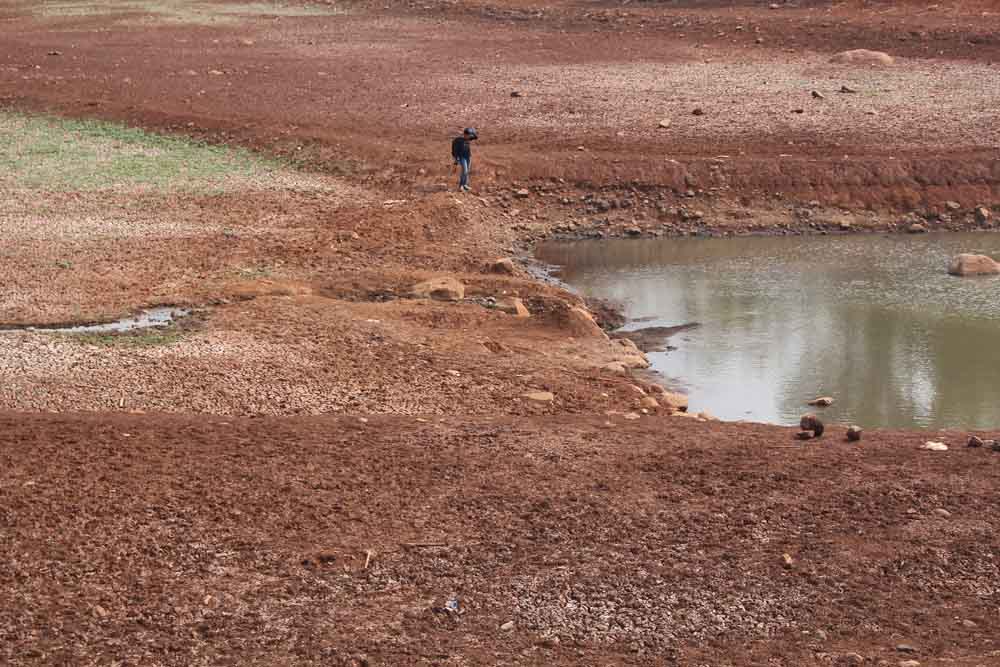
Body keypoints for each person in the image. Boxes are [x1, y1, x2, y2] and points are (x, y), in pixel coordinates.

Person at [451, 127, 477, 191]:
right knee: (464, 171)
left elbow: (476, 137)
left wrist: (472, 131)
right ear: (465, 134)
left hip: (468, 157)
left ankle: (465, 185)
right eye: (468, 135)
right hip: (462, 157)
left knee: (467, 171)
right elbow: (455, 150)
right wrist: (456, 159)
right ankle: (461, 186)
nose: (469, 137)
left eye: (470, 135)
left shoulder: (468, 139)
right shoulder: (459, 140)